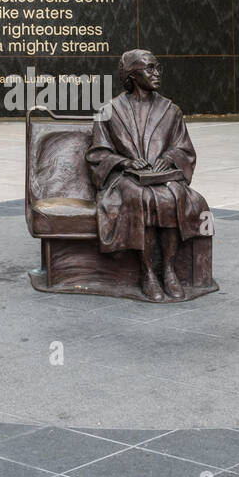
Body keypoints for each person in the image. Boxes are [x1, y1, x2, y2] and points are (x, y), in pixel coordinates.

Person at [86, 49, 212, 301]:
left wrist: (168, 158)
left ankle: (168, 269)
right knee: (137, 197)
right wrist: (126, 162)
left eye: (158, 68)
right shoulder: (109, 110)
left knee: (173, 196)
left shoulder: (170, 110)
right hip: (125, 180)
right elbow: (98, 154)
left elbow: (183, 148)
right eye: (150, 68)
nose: (156, 73)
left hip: (162, 177)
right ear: (132, 75)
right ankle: (147, 272)